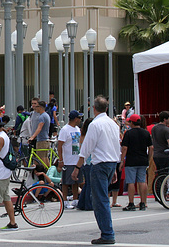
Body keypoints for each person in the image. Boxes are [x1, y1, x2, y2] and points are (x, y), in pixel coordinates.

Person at [72, 96, 121, 245]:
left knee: (100, 200)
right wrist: (115, 169)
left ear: (93, 108)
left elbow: (86, 148)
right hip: (111, 162)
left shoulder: (95, 124)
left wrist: (77, 167)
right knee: (102, 197)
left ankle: (107, 233)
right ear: (106, 108)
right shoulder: (113, 124)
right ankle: (107, 232)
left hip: (100, 163)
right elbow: (115, 146)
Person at [120, 114, 153, 212]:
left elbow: (124, 148)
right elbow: (151, 147)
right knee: (142, 181)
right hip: (143, 160)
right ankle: (143, 202)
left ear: (132, 123)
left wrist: (122, 160)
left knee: (130, 182)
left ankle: (131, 203)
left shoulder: (128, 133)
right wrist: (148, 158)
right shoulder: (146, 133)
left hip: (131, 160)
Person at [57, 110, 83, 210]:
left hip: (76, 159)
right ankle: (65, 200)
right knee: (66, 181)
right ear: (75, 119)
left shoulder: (77, 129)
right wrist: (61, 159)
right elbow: (60, 145)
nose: (80, 120)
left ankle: (75, 199)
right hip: (68, 160)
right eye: (79, 118)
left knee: (76, 181)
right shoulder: (65, 130)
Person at [76, 117, 94, 211]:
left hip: (85, 162)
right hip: (90, 161)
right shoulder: (89, 136)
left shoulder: (82, 136)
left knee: (87, 183)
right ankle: (88, 204)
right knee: (90, 184)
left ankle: (81, 203)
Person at [151, 111, 169, 176]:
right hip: (165, 155)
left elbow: (153, 140)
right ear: (165, 119)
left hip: (156, 155)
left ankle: (158, 185)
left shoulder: (154, 128)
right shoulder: (166, 129)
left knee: (159, 174)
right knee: (165, 174)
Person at [28, 98, 51, 165]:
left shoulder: (42, 117)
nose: (35, 107)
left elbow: (39, 128)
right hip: (45, 139)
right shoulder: (46, 115)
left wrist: (32, 137)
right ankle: (48, 173)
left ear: (40, 107)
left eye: (36, 106)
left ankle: (44, 173)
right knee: (45, 158)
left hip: (41, 140)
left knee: (41, 159)